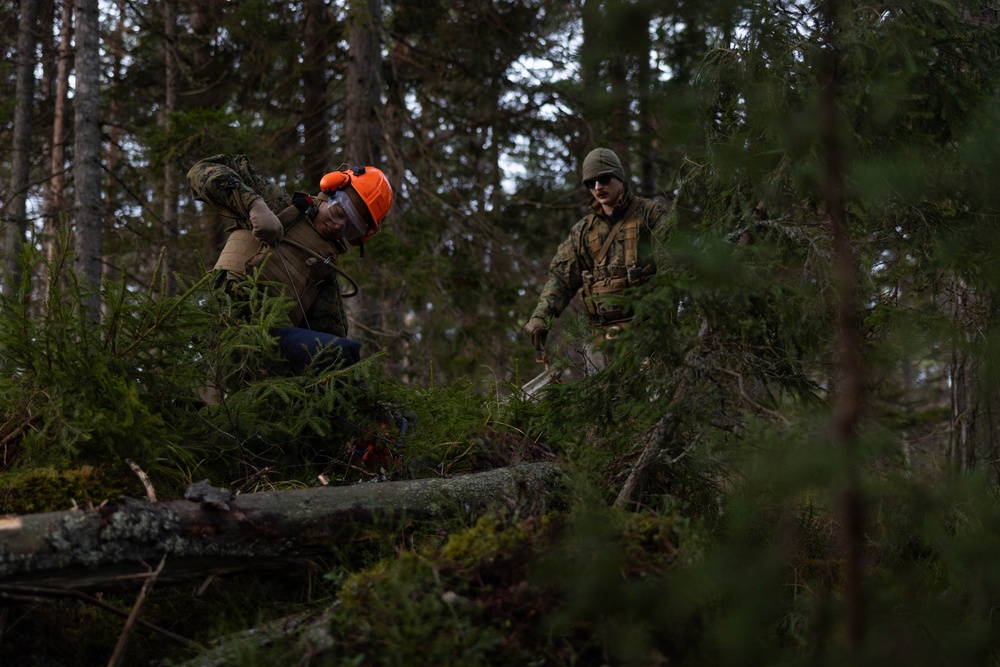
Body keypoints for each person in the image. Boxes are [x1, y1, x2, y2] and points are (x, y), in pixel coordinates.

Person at [187, 154, 393, 374]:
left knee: (342, 354)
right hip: (224, 313)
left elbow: (330, 340)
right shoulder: (277, 203)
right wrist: (255, 205)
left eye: (350, 228)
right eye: (338, 213)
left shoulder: (324, 268)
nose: (337, 227)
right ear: (329, 192)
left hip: (261, 348)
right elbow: (201, 171)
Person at [523, 147, 669, 374]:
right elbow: (561, 279)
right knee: (607, 404)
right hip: (601, 339)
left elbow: (673, 268)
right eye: (591, 183)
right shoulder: (583, 231)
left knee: (655, 402)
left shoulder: (651, 215)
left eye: (603, 179)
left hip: (648, 332)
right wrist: (541, 317)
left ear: (619, 177)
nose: (598, 187)